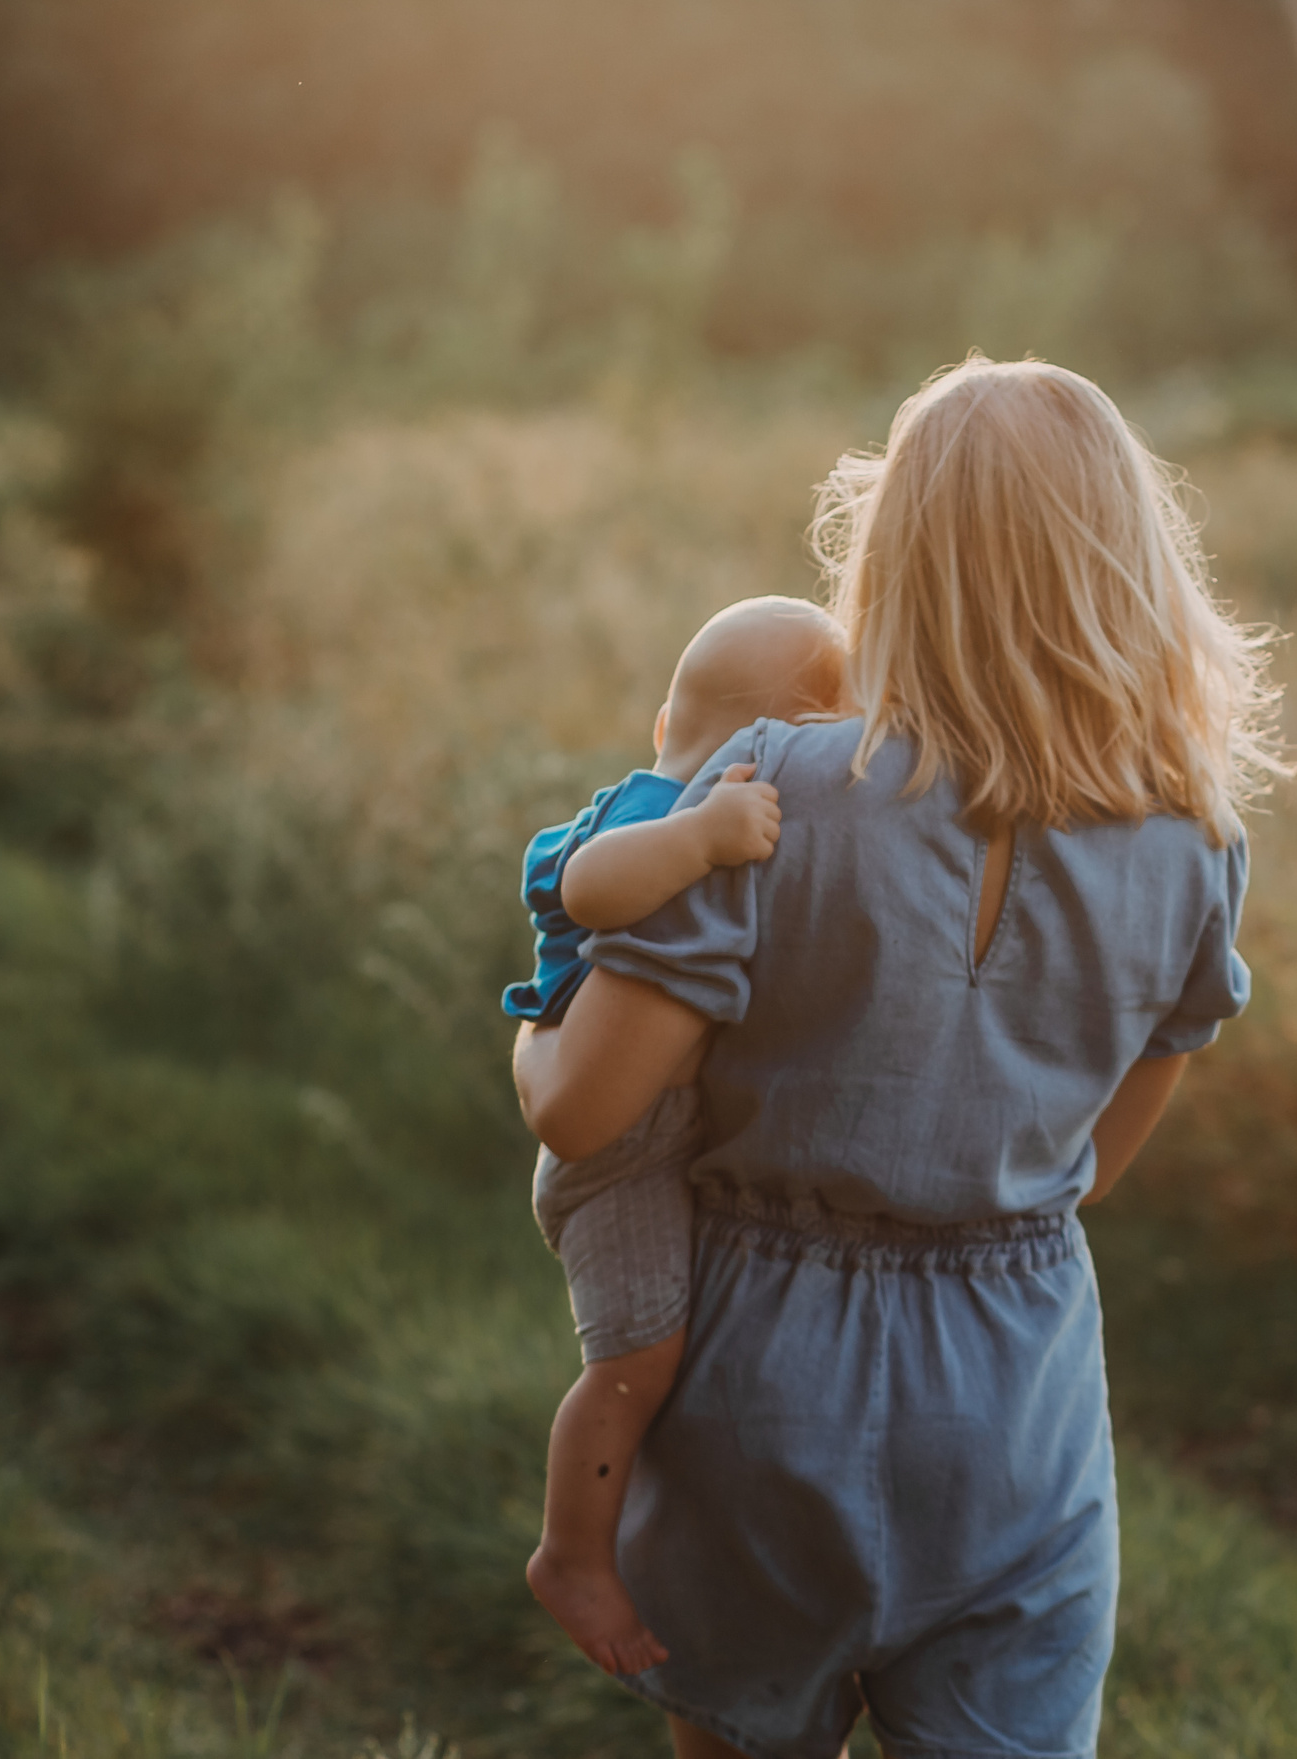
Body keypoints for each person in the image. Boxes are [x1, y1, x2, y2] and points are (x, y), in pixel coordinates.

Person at [514, 355, 1286, 1759]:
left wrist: (531, 1018)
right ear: (1126, 557)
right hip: (1015, 1384)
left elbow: (583, 1109)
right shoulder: (1196, 837)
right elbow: (1097, 1158)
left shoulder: (771, 787)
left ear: (897, 555)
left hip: (761, 1365)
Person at [503, 596, 851, 1677]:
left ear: (666, 716)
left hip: (649, 1130)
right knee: (632, 1362)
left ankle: (655, 1535)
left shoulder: (680, 785)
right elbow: (586, 888)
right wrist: (700, 834)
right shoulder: (659, 810)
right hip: (617, 1152)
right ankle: (572, 1553)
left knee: (672, 1353)